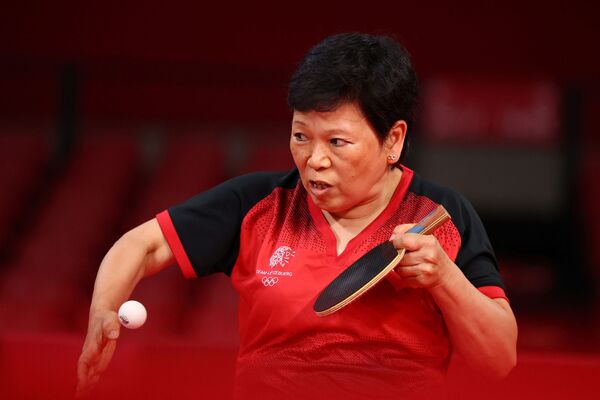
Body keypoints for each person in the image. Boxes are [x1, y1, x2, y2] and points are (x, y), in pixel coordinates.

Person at [77, 32, 517, 399]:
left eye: (337, 142)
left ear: (393, 140)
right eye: (301, 136)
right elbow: (142, 243)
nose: (314, 160)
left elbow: (499, 360)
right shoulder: (259, 203)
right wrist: (102, 309)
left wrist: (444, 279)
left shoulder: (441, 215)